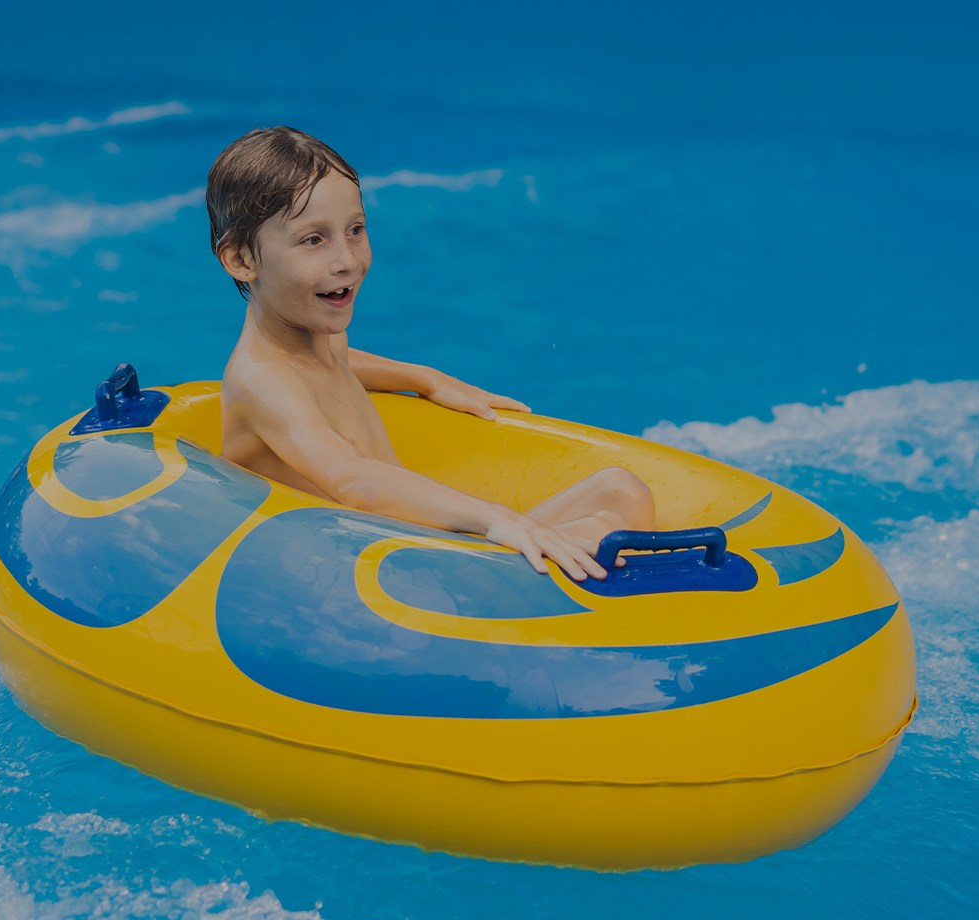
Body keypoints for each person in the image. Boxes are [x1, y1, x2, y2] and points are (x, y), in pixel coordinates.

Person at [207, 126, 654, 582]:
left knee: (621, 488)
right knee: (596, 532)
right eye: (313, 240)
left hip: (420, 546)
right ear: (243, 260)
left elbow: (340, 361)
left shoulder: (317, 340)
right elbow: (350, 478)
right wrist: (497, 518)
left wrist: (425, 379)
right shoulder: (262, 380)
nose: (347, 260)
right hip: (386, 574)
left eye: (355, 230)